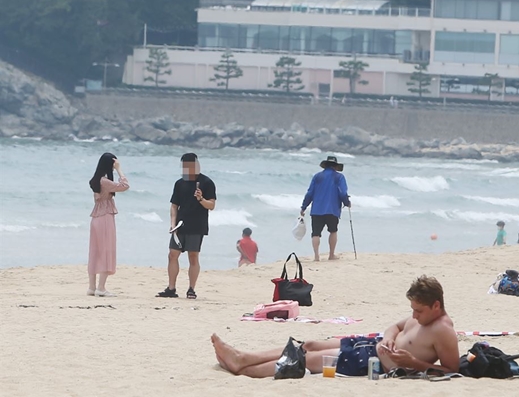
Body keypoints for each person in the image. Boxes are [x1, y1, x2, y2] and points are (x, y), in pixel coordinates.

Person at [211, 275, 460, 378]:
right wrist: (388, 338)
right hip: (372, 346)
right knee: (308, 344)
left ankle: (243, 367)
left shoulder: (443, 330)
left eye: (419, 310)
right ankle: (244, 357)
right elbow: (394, 326)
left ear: (436, 306)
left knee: (309, 360)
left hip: (373, 364)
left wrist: (412, 361)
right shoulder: (421, 316)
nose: (414, 315)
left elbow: (451, 371)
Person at [157, 153, 216, 299]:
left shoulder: (207, 182)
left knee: (193, 257)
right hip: (180, 225)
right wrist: (172, 224)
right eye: (185, 166)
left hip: (197, 225)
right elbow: (174, 206)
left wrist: (201, 198)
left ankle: (191, 289)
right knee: (172, 255)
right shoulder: (179, 183)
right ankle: (171, 288)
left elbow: (211, 205)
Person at [87, 153, 129, 297]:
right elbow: (125, 186)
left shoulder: (96, 180)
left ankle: (92, 287)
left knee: (95, 251)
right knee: (106, 251)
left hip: (96, 219)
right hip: (105, 218)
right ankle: (101, 288)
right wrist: (119, 170)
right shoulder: (104, 181)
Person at [300, 156, 351, 261]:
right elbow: (343, 192)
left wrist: (304, 207)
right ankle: (331, 255)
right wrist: (347, 202)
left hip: (317, 209)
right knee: (333, 231)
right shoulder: (339, 177)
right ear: (336, 166)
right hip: (332, 209)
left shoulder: (317, 177)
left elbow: (310, 193)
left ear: (325, 165)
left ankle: (316, 256)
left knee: (315, 233)